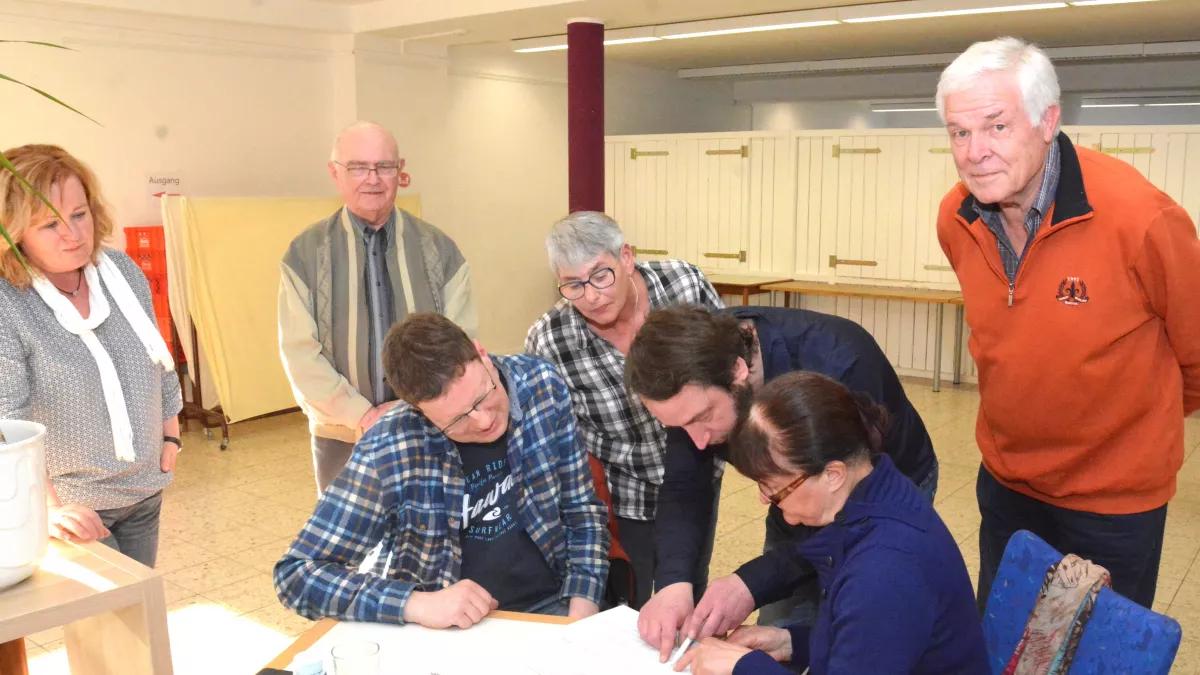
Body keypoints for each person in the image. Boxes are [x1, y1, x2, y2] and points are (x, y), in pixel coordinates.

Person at [936, 37, 1200, 610]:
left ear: (1047, 120)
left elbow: (1196, 355)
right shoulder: (956, 217)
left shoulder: (1143, 220)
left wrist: (1127, 435)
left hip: (1113, 505)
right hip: (1007, 487)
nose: (975, 151)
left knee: (1097, 656)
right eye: (960, 132)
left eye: (997, 126)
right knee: (1005, 645)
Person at [626, 305, 938, 659]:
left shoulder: (840, 363)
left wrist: (751, 584)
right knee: (780, 631)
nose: (696, 441)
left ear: (737, 371)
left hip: (871, 494)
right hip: (795, 495)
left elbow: (849, 516)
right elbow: (684, 487)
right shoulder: (692, 375)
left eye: (703, 418)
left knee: (849, 612)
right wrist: (673, 582)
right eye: (679, 427)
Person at [274, 313, 608, 626]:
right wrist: (415, 604)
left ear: (481, 353)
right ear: (419, 412)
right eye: (458, 420)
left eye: (482, 397)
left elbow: (581, 511)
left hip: (550, 607)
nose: (484, 421)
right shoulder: (390, 445)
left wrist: (581, 611)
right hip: (443, 628)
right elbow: (296, 575)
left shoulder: (541, 384)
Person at [677, 372, 986, 675]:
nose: (764, 499)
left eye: (773, 489)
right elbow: (871, 643)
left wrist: (743, 667)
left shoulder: (883, 570)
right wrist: (793, 643)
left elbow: (874, 620)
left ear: (833, 475)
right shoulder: (873, 492)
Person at [524, 211, 723, 608]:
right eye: (573, 285)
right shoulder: (549, 340)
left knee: (687, 582)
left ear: (627, 257)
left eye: (601, 275)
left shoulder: (683, 283)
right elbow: (556, 436)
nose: (592, 296)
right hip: (627, 490)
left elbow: (729, 365)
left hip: (701, 467)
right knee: (635, 598)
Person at [0, 144, 182, 567]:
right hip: (75, 509)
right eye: (50, 224)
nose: (74, 234)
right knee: (104, 630)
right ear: (13, 232)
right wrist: (48, 509)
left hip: (144, 489)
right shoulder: (9, 301)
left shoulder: (121, 271)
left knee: (138, 620)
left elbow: (157, 354)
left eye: (79, 215)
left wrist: (170, 430)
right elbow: (7, 419)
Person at [278, 121, 477, 493]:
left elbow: (461, 346)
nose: (372, 179)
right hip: (342, 440)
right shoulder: (304, 255)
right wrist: (362, 415)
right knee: (348, 547)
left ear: (400, 172)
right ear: (334, 173)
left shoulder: (441, 251)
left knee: (431, 541)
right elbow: (299, 355)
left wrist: (413, 410)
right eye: (357, 167)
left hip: (429, 431)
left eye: (384, 167)